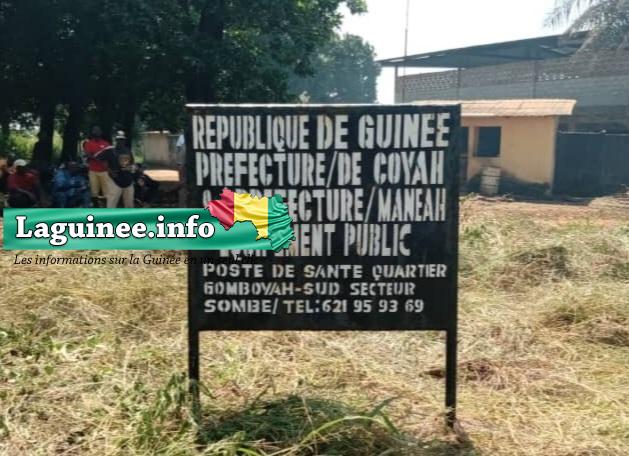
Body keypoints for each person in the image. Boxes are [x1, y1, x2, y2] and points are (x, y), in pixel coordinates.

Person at [83, 126, 112, 207]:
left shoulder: (106, 144)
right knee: (94, 192)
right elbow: (88, 155)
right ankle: (96, 208)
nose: (96, 132)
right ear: (92, 133)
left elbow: (109, 155)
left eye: (97, 131)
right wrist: (98, 157)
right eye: (94, 131)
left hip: (104, 171)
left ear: (101, 132)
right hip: (93, 171)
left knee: (107, 192)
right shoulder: (89, 143)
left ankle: (106, 209)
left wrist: (97, 157)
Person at [106, 131, 136, 208]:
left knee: (129, 203)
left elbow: (132, 163)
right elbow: (103, 162)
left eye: (122, 140)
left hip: (127, 179)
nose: (120, 141)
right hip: (114, 180)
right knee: (112, 202)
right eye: (119, 139)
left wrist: (132, 170)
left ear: (124, 140)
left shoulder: (128, 151)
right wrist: (110, 171)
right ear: (116, 140)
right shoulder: (110, 150)